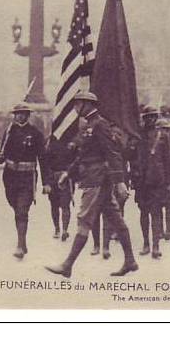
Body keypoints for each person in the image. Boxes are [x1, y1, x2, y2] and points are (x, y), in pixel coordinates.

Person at [45, 91, 138, 278]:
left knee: (84, 219)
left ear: (87, 104)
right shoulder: (89, 125)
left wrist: (120, 182)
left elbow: (112, 153)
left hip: (96, 179)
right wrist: (68, 173)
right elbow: (82, 155)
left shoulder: (100, 125)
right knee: (115, 219)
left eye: (78, 104)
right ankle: (130, 261)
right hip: (93, 177)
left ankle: (67, 265)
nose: (76, 107)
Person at [0, 104, 50, 260]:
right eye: (17, 114)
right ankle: (22, 240)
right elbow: (2, 153)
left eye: (23, 114)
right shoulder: (8, 132)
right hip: (10, 176)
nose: (20, 116)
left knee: (22, 210)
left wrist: (46, 182)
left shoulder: (36, 134)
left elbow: (43, 159)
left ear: (28, 115)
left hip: (27, 177)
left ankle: (20, 244)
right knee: (15, 207)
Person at [129, 106, 170, 259]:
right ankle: (146, 243)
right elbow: (131, 157)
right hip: (141, 180)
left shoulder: (163, 136)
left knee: (156, 213)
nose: (151, 120)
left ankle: (155, 246)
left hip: (157, 181)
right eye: (148, 117)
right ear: (144, 119)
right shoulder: (137, 135)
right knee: (143, 213)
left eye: (153, 117)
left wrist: (169, 182)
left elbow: (168, 160)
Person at [43, 135, 76, 241]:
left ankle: (65, 230)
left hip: (66, 178)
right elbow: (45, 164)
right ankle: (57, 228)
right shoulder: (50, 144)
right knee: (54, 205)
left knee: (65, 204)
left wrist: (74, 148)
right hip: (53, 177)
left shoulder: (70, 143)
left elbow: (76, 161)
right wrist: (47, 182)